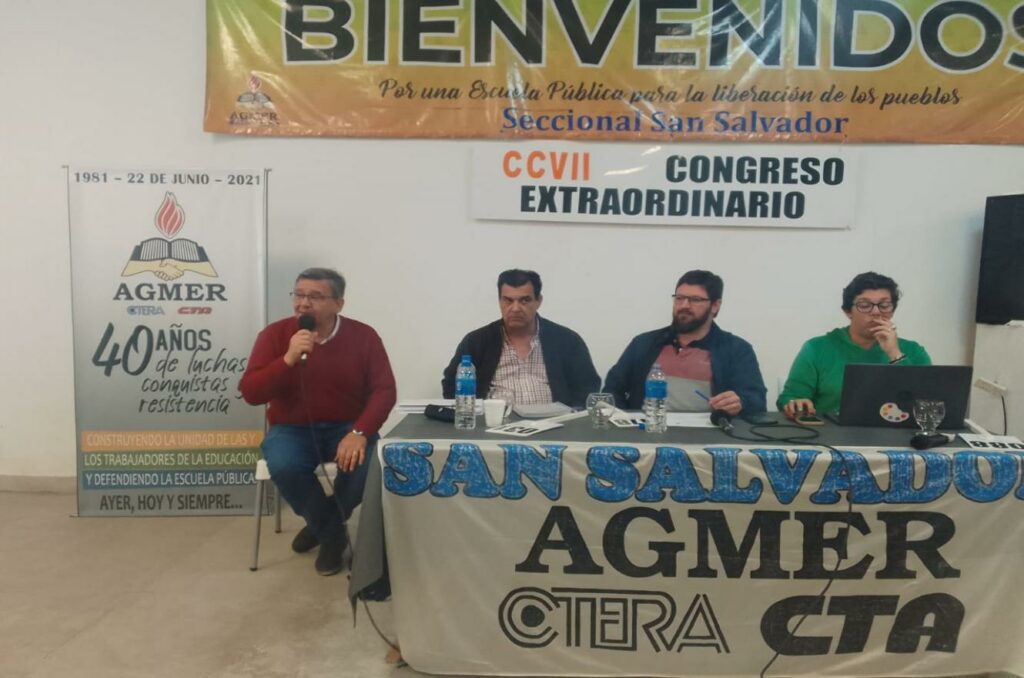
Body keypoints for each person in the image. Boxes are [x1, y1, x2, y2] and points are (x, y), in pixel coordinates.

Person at [240, 268, 396, 576]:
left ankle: (320, 525)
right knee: (283, 463)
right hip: (291, 428)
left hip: (347, 426)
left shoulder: (364, 336)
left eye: (315, 296)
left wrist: (360, 432)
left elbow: (384, 390)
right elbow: (251, 393)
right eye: (298, 295)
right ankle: (332, 533)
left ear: (338, 303)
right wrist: (287, 359)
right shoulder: (274, 335)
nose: (303, 303)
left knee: (367, 466)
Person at [604, 270, 767, 415]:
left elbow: (757, 401)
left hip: (708, 435)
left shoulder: (736, 349)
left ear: (715, 306)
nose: (684, 305)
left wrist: (740, 403)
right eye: (679, 298)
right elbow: (611, 390)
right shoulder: (644, 343)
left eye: (695, 300)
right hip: (649, 430)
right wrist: (626, 421)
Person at [777, 271, 931, 419]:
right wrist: (796, 403)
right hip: (831, 432)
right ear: (848, 311)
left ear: (892, 311)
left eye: (884, 305)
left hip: (896, 433)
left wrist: (894, 353)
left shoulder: (914, 351)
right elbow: (790, 398)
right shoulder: (817, 348)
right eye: (865, 305)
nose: (876, 312)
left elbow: (926, 404)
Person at [442, 269, 600, 409]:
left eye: (525, 300)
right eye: (508, 300)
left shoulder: (566, 340)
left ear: (538, 301)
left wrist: (569, 418)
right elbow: (451, 384)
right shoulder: (477, 341)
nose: (515, 308)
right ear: (499, 301)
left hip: (555, 424)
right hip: (494, 424)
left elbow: (587, 387)